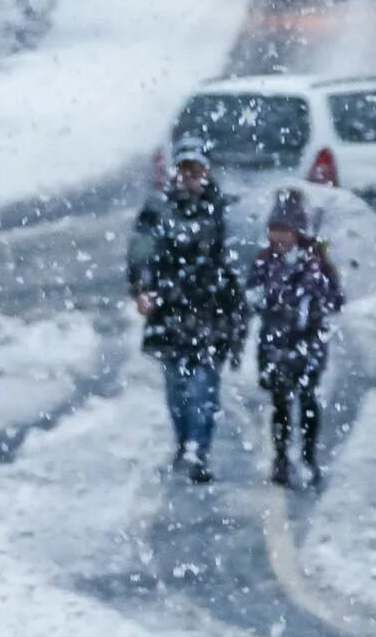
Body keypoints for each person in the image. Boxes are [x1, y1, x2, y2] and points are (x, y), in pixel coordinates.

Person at [127, 141, 244, 484]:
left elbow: (236, 260)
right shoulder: (158, 210)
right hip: (170, 312)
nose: (190, 177)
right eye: (185, 170)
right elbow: (141, 253)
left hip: (211, 312)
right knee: (177, 386)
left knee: (204, 386)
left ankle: (199, 450)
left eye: (197, 170)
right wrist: (143, 286)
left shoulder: (224, 211)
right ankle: (184, 444)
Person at [248, 188, 343, 486]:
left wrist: (316, 295)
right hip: (275, 342)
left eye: (284, 230)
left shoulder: (316, 261)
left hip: (308, 341)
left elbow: (335, 299)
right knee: (280, 403)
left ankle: (308, 455)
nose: (278, 237)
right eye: (273, 229)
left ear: (297, 231)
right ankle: (281, 457)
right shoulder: (264, 261)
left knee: (308, 399)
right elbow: (251, 295)